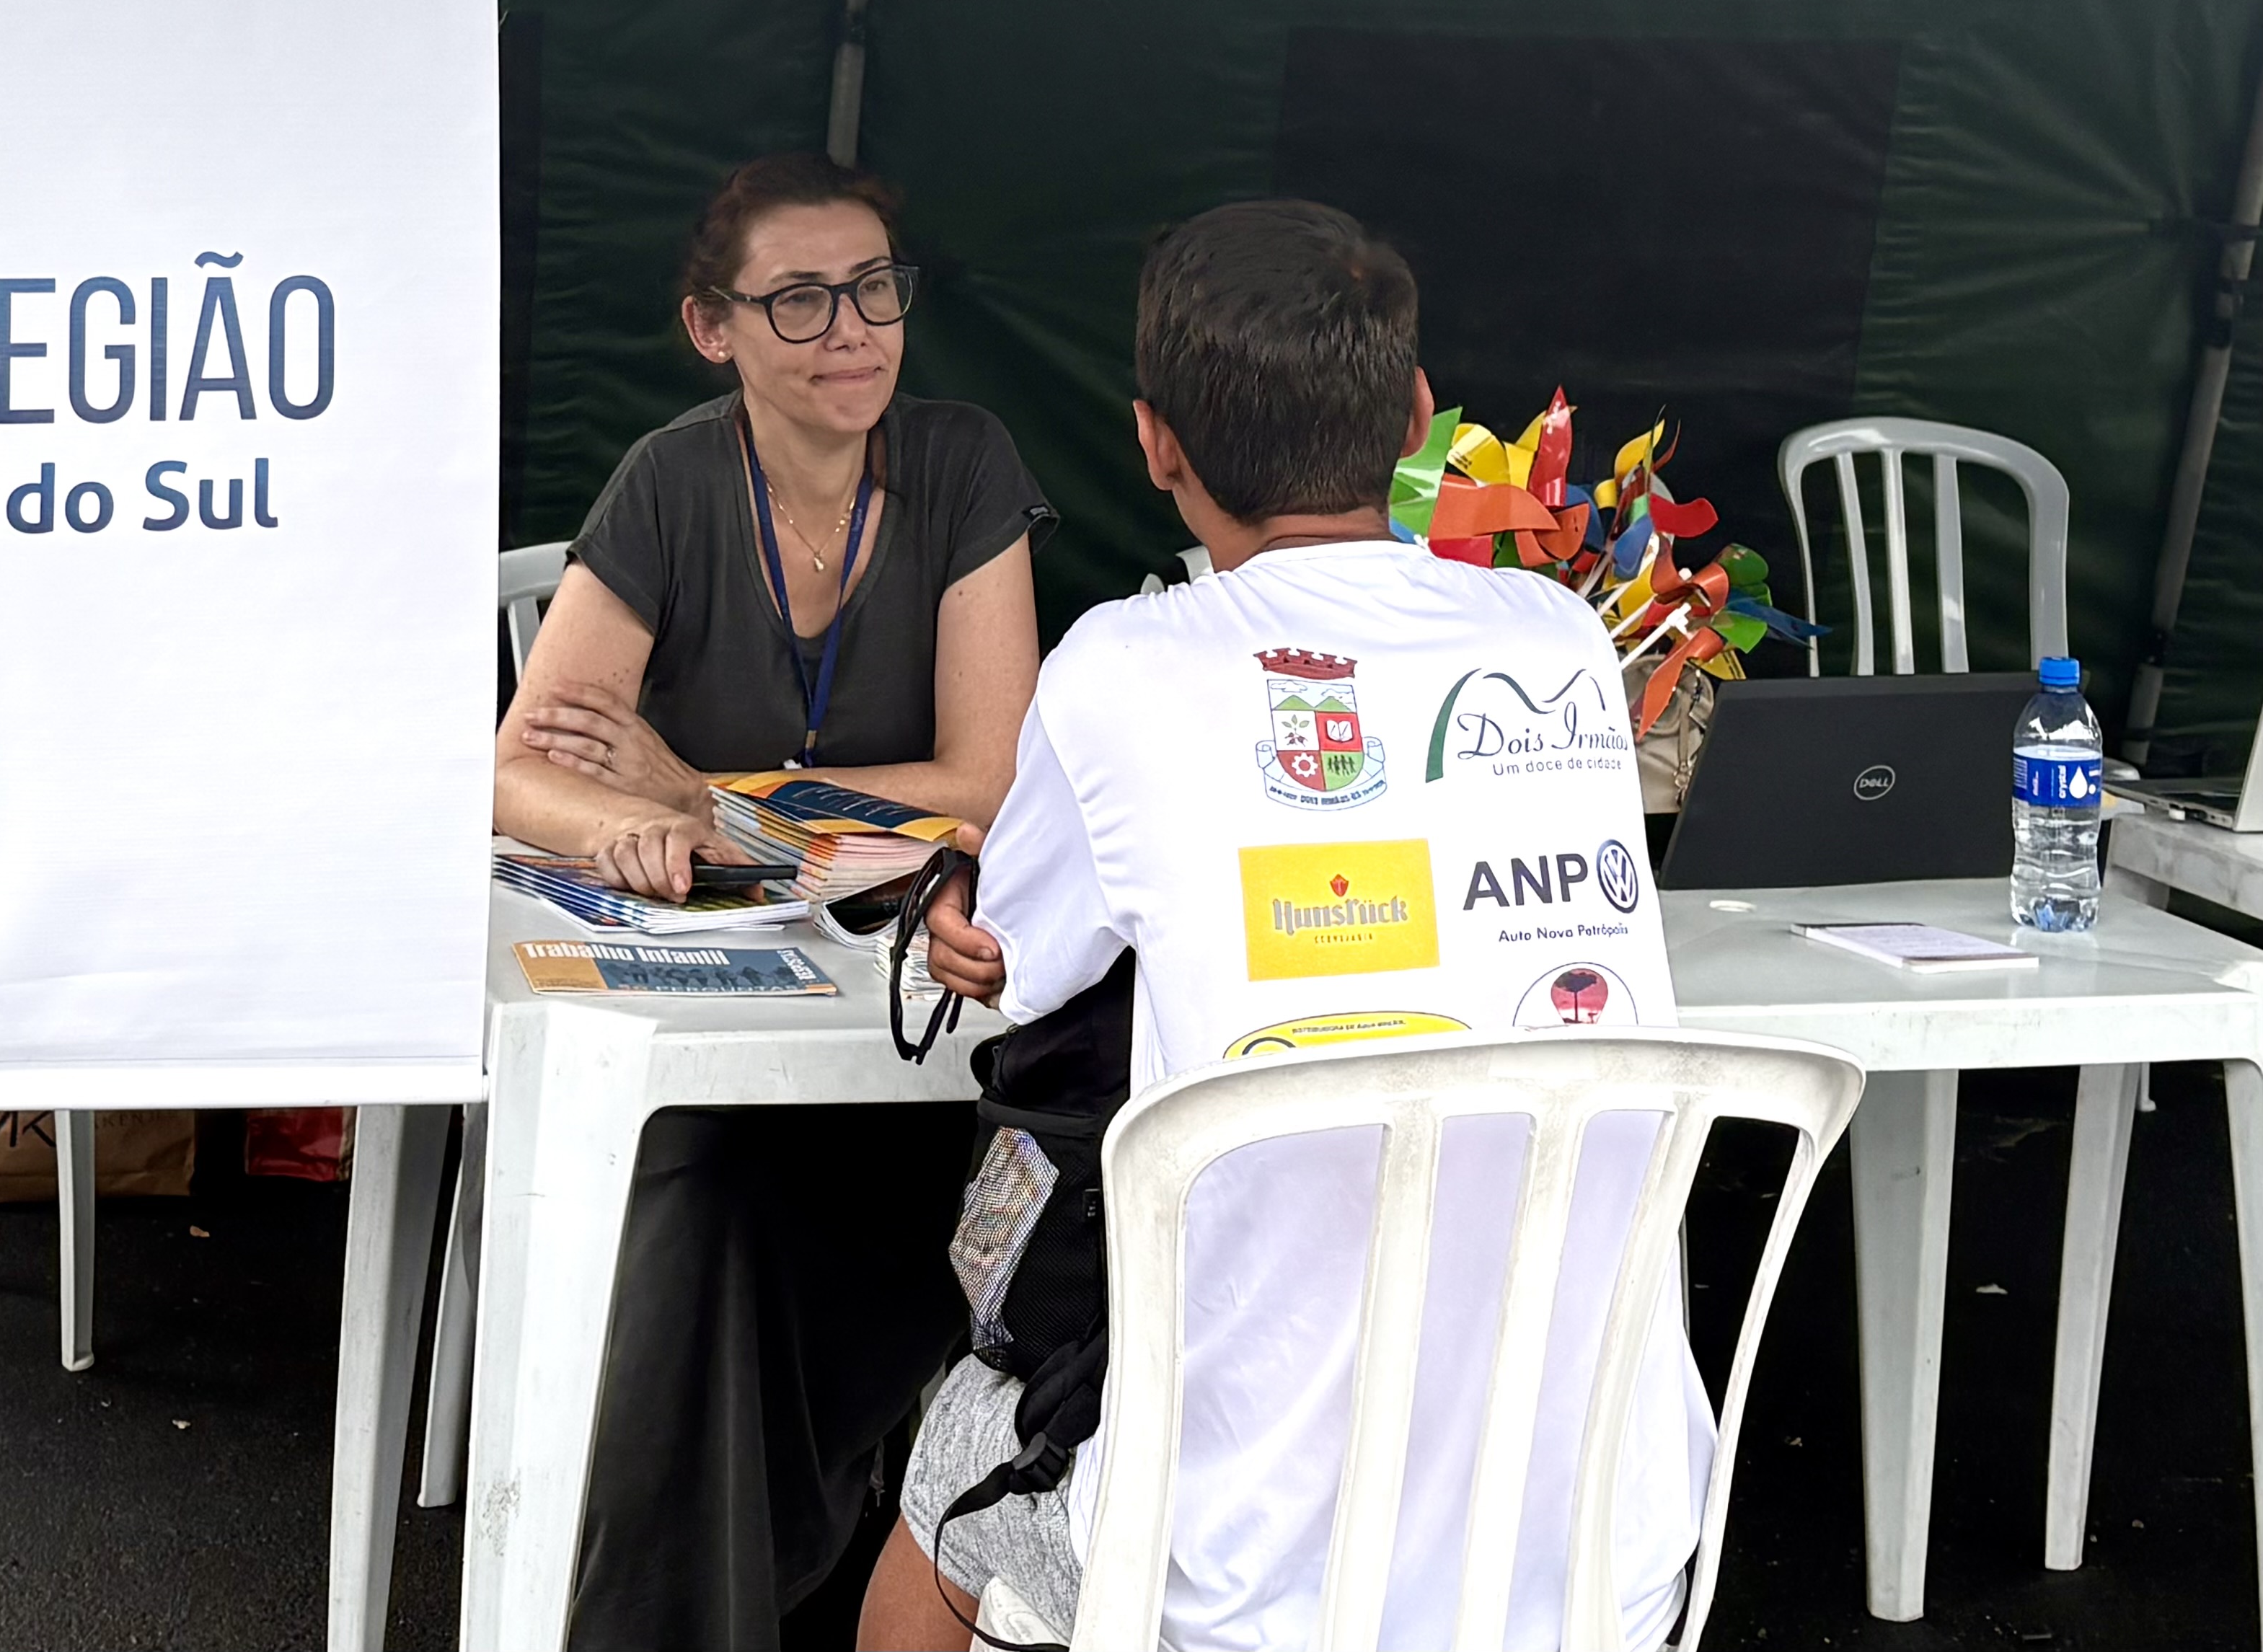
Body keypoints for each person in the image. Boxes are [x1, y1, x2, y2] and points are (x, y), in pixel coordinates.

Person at [860, 200, 1706, 1651]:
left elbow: (1018, 964)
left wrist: (963, 905)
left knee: (946, 1498)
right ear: (1420, 418)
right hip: (1597, 1553)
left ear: (1152, 443)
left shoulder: (1123, 663)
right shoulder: (1556, 636)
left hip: (1233, 1558)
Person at [494, 151, 1055, 1652]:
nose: (849, 330)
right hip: (719, 1037)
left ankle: (735, 1570)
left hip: (910, 1029)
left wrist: (696, 794)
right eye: (796, 300)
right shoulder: (669, 483)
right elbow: (517, 770)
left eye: (872, 288)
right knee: (702, 1194)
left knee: (845, 1202)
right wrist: (634, 812)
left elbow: (986, 784)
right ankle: (689, 1600)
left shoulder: (961, 464)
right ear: (711, 327)